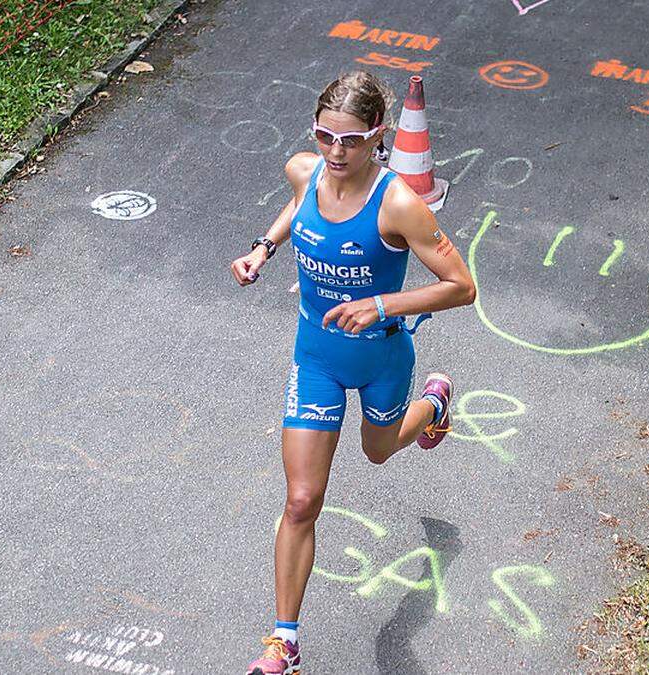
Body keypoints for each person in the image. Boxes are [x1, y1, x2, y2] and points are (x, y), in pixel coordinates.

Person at [229, 70, 476, 675]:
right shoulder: (304, 169)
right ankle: (284, 639)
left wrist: (383, 304)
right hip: (314, 354)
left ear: (378, 138)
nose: (336, 153)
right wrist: (263, 247)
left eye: (351, 141)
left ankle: (434, 407)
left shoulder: (398, 204)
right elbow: (296, 205)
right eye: (325, 137)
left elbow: (462, 287)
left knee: (378, 451)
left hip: (383, 356)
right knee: (302, 498)